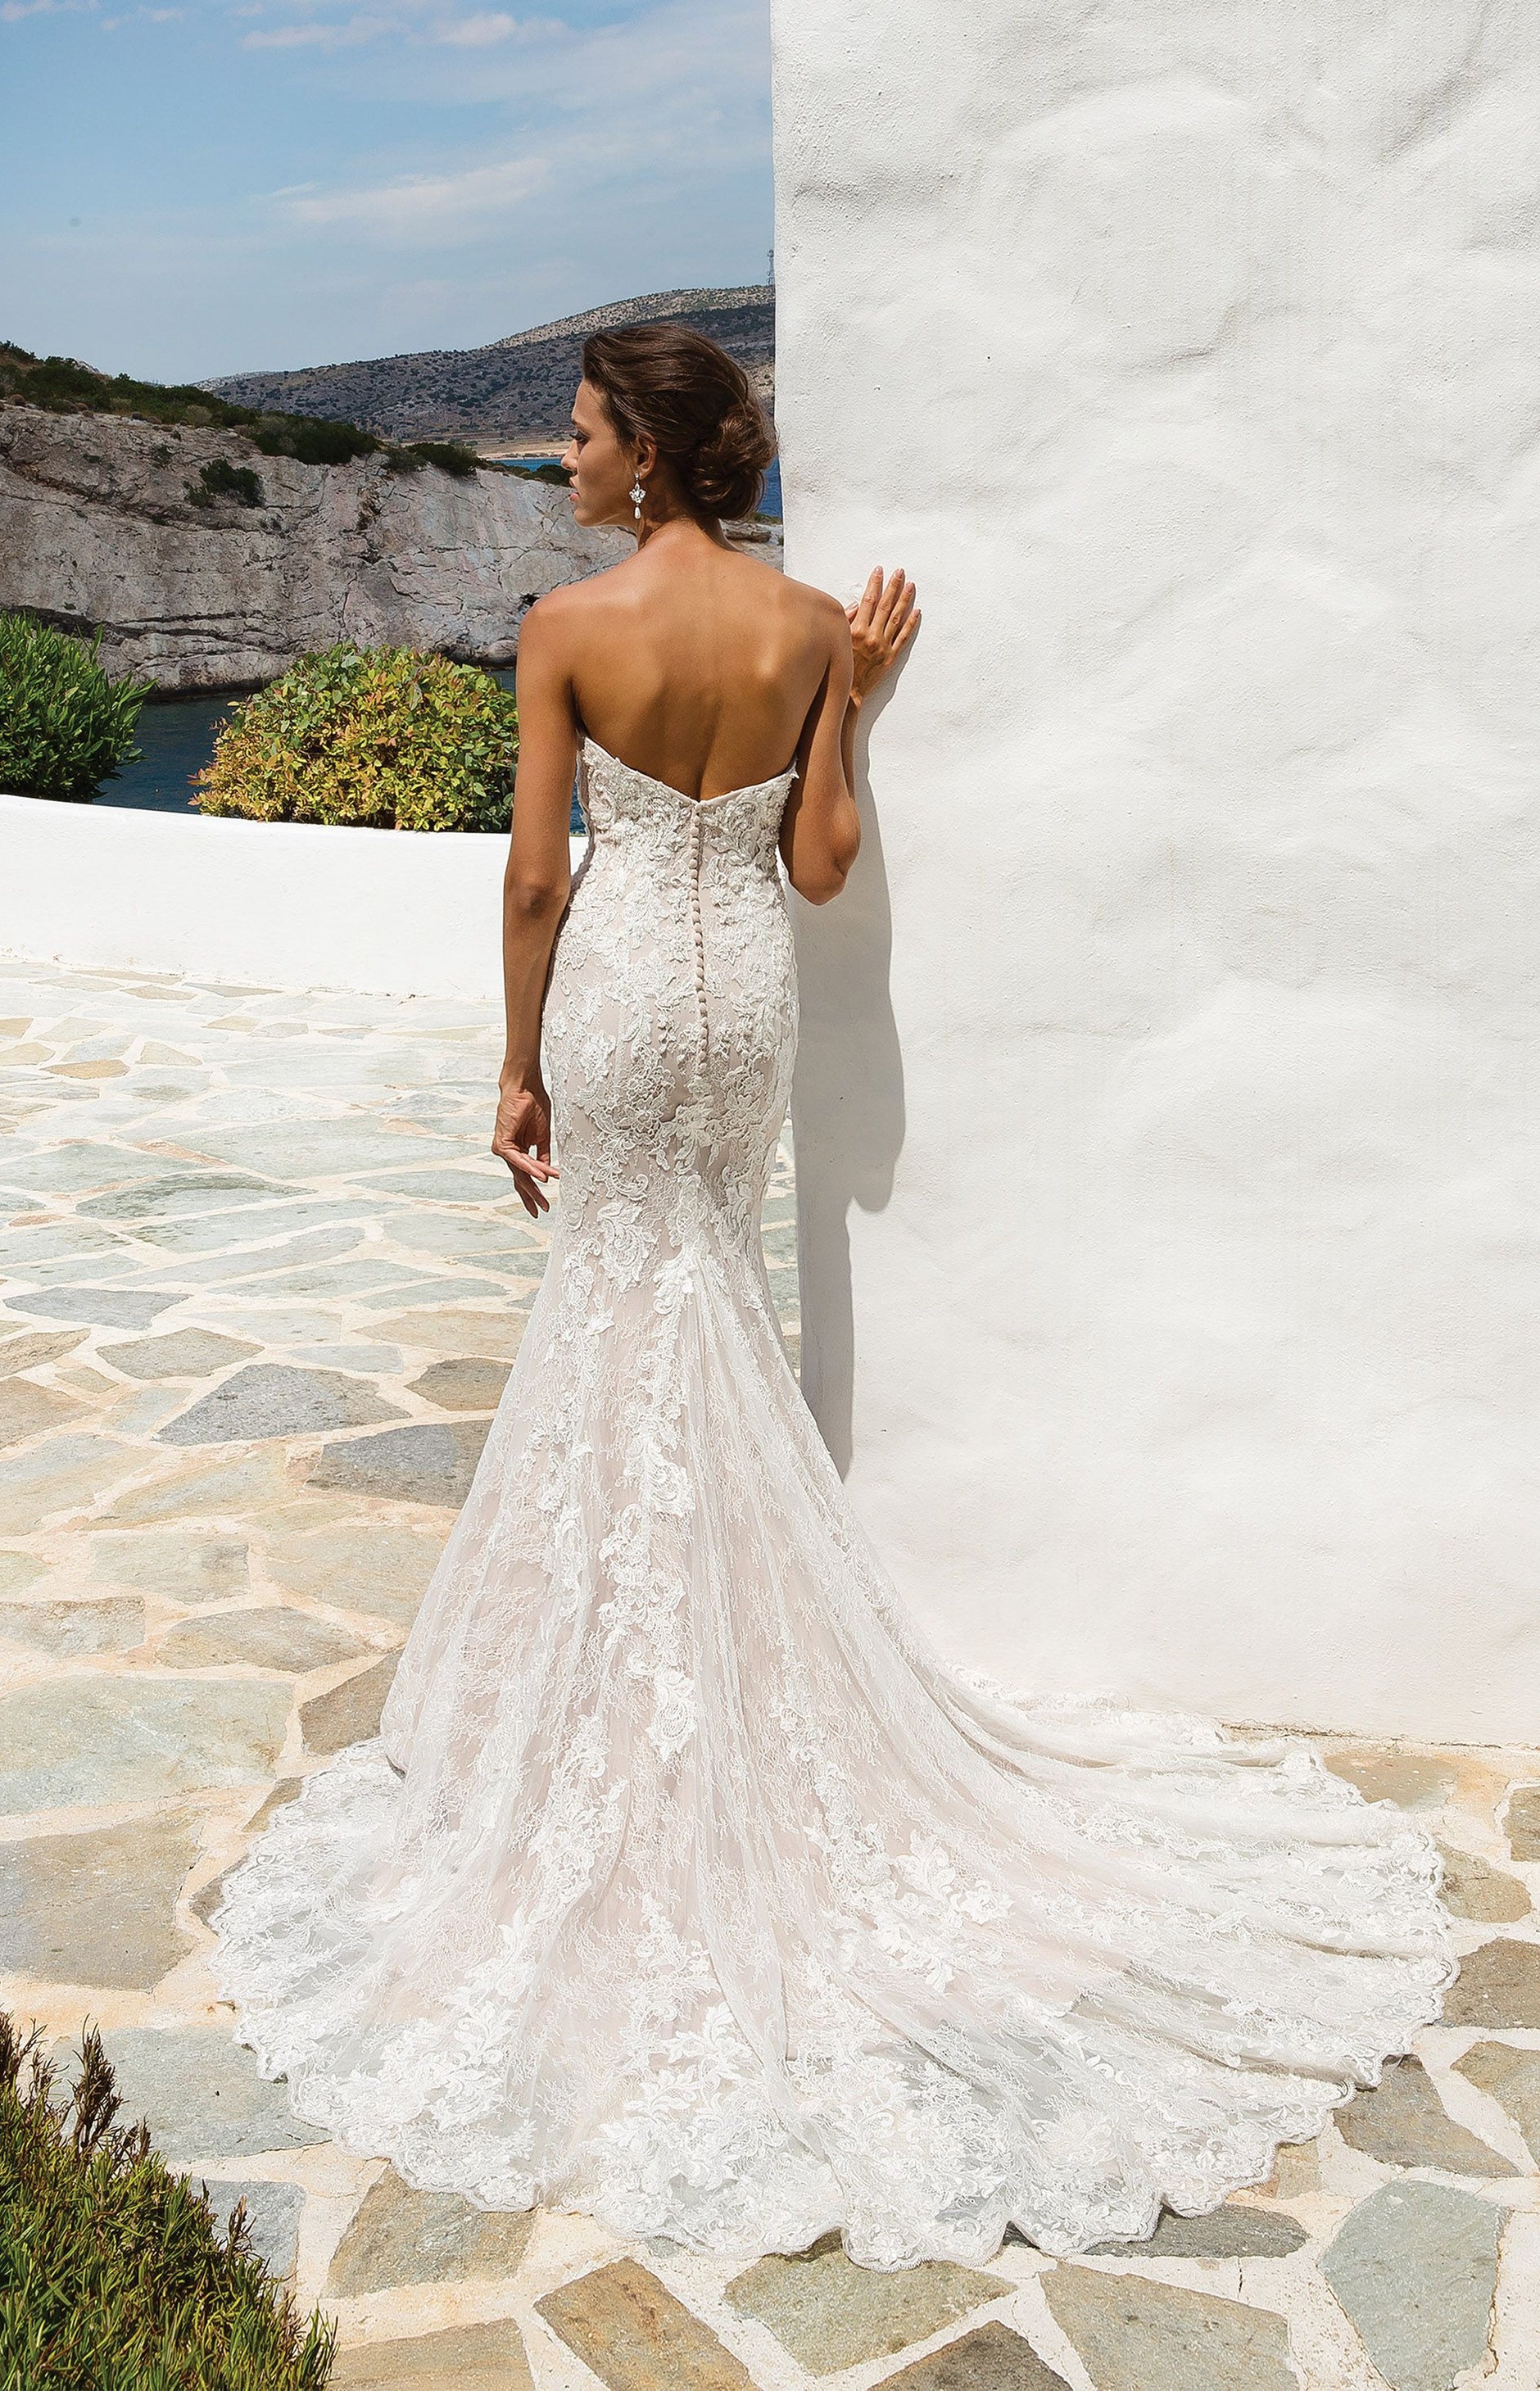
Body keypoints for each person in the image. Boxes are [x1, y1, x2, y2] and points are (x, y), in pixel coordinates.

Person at [208, 323, 1453, 2272]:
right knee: (696, 1314)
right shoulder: (802, 630)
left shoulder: (564, 623)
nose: (560, 456)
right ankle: (717, 1677)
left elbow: (535, 875)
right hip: (741, 1028)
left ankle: (636, 1719)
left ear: (651, 453)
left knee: (626, 1322)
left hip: (621, 1004)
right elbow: (816, 863)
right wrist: (848, 712)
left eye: (584, 429)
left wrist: (514, 1061)